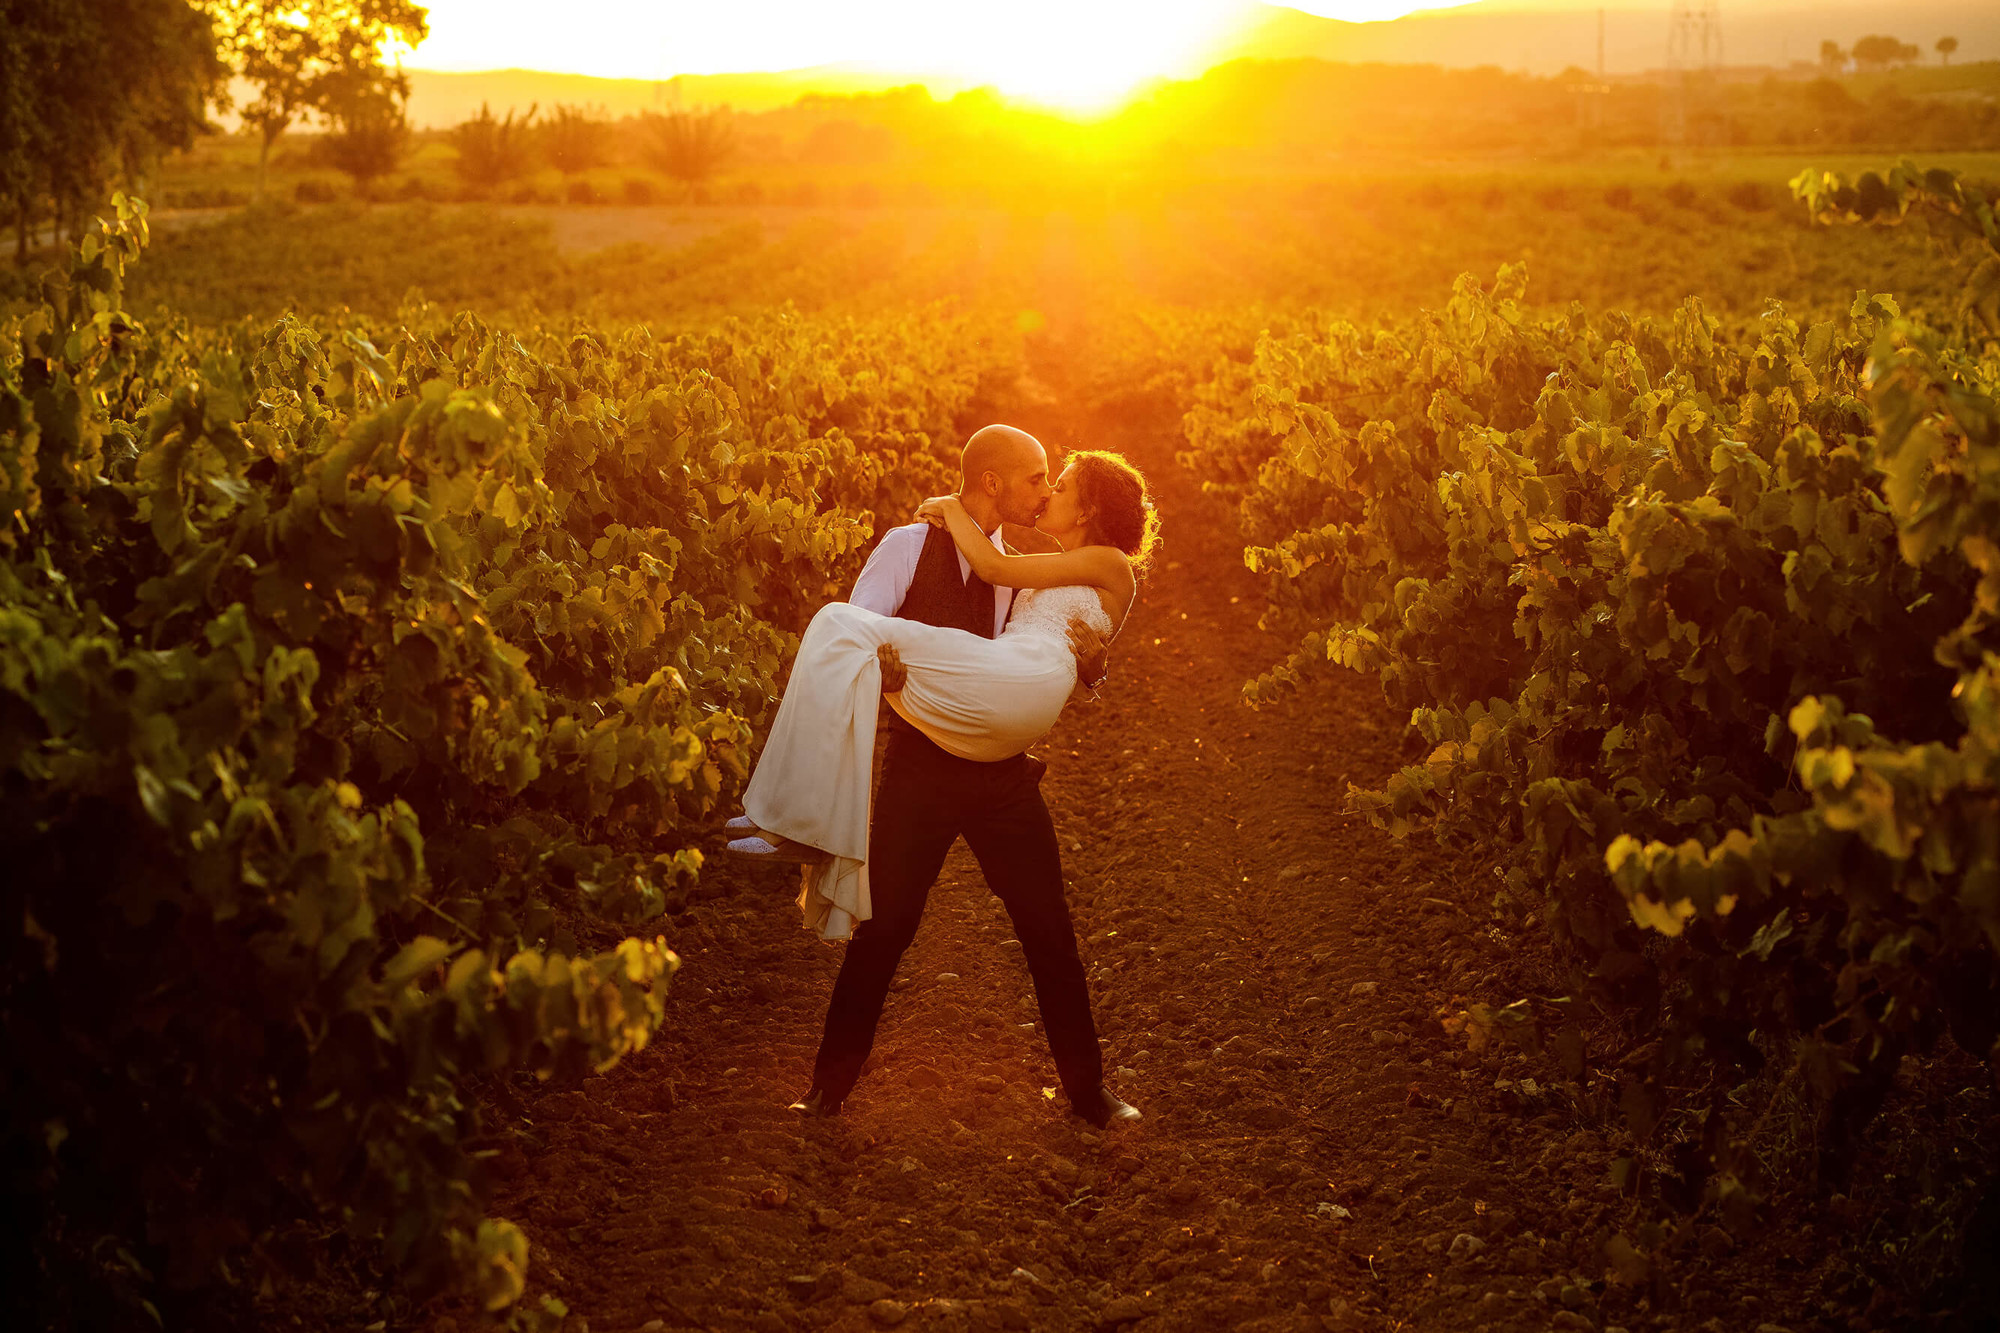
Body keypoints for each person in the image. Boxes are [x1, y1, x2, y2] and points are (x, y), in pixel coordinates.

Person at [726, 424, 1158, 1128]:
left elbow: (1046, 645)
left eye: (1057, 483)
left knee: (1048, 929)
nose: (1044, 491)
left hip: (1002, 776)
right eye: (1034, 478)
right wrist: (882, 669)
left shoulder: (1013, 567)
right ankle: (827, 1089)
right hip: (923, 766)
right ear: (993, 481)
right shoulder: (907, 544)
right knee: (885, 930)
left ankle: (1088, 1093)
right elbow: (868, 628)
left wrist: (1096, 662)